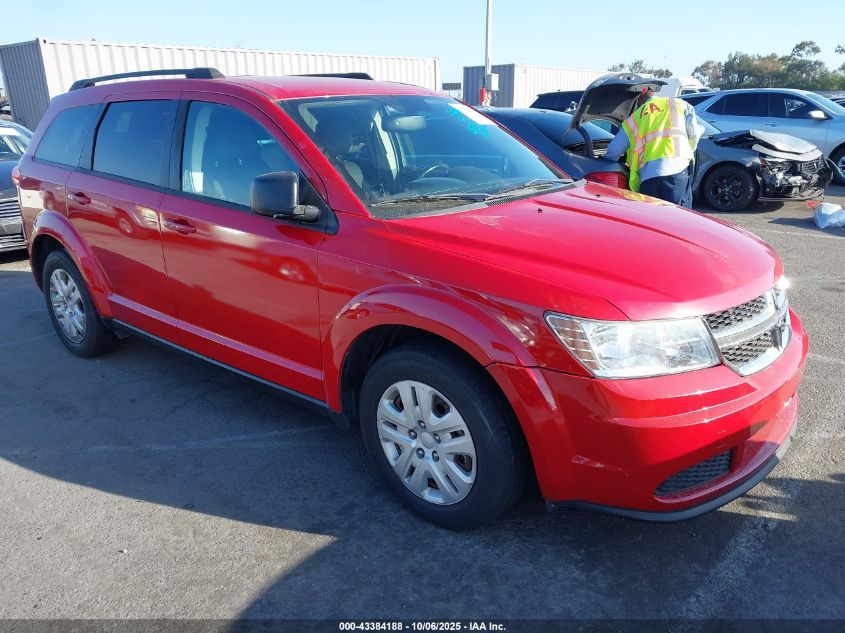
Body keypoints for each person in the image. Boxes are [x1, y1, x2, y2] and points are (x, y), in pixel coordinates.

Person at [604, 87, 702, 207]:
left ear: (637, 100)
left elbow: (613, 151)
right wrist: (686, 153)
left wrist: (605, 163)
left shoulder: (636, 116)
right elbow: (694, 135)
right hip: (678, 171)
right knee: (679, 220)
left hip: (649, 177)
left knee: (652, 221)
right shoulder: (680, 105)